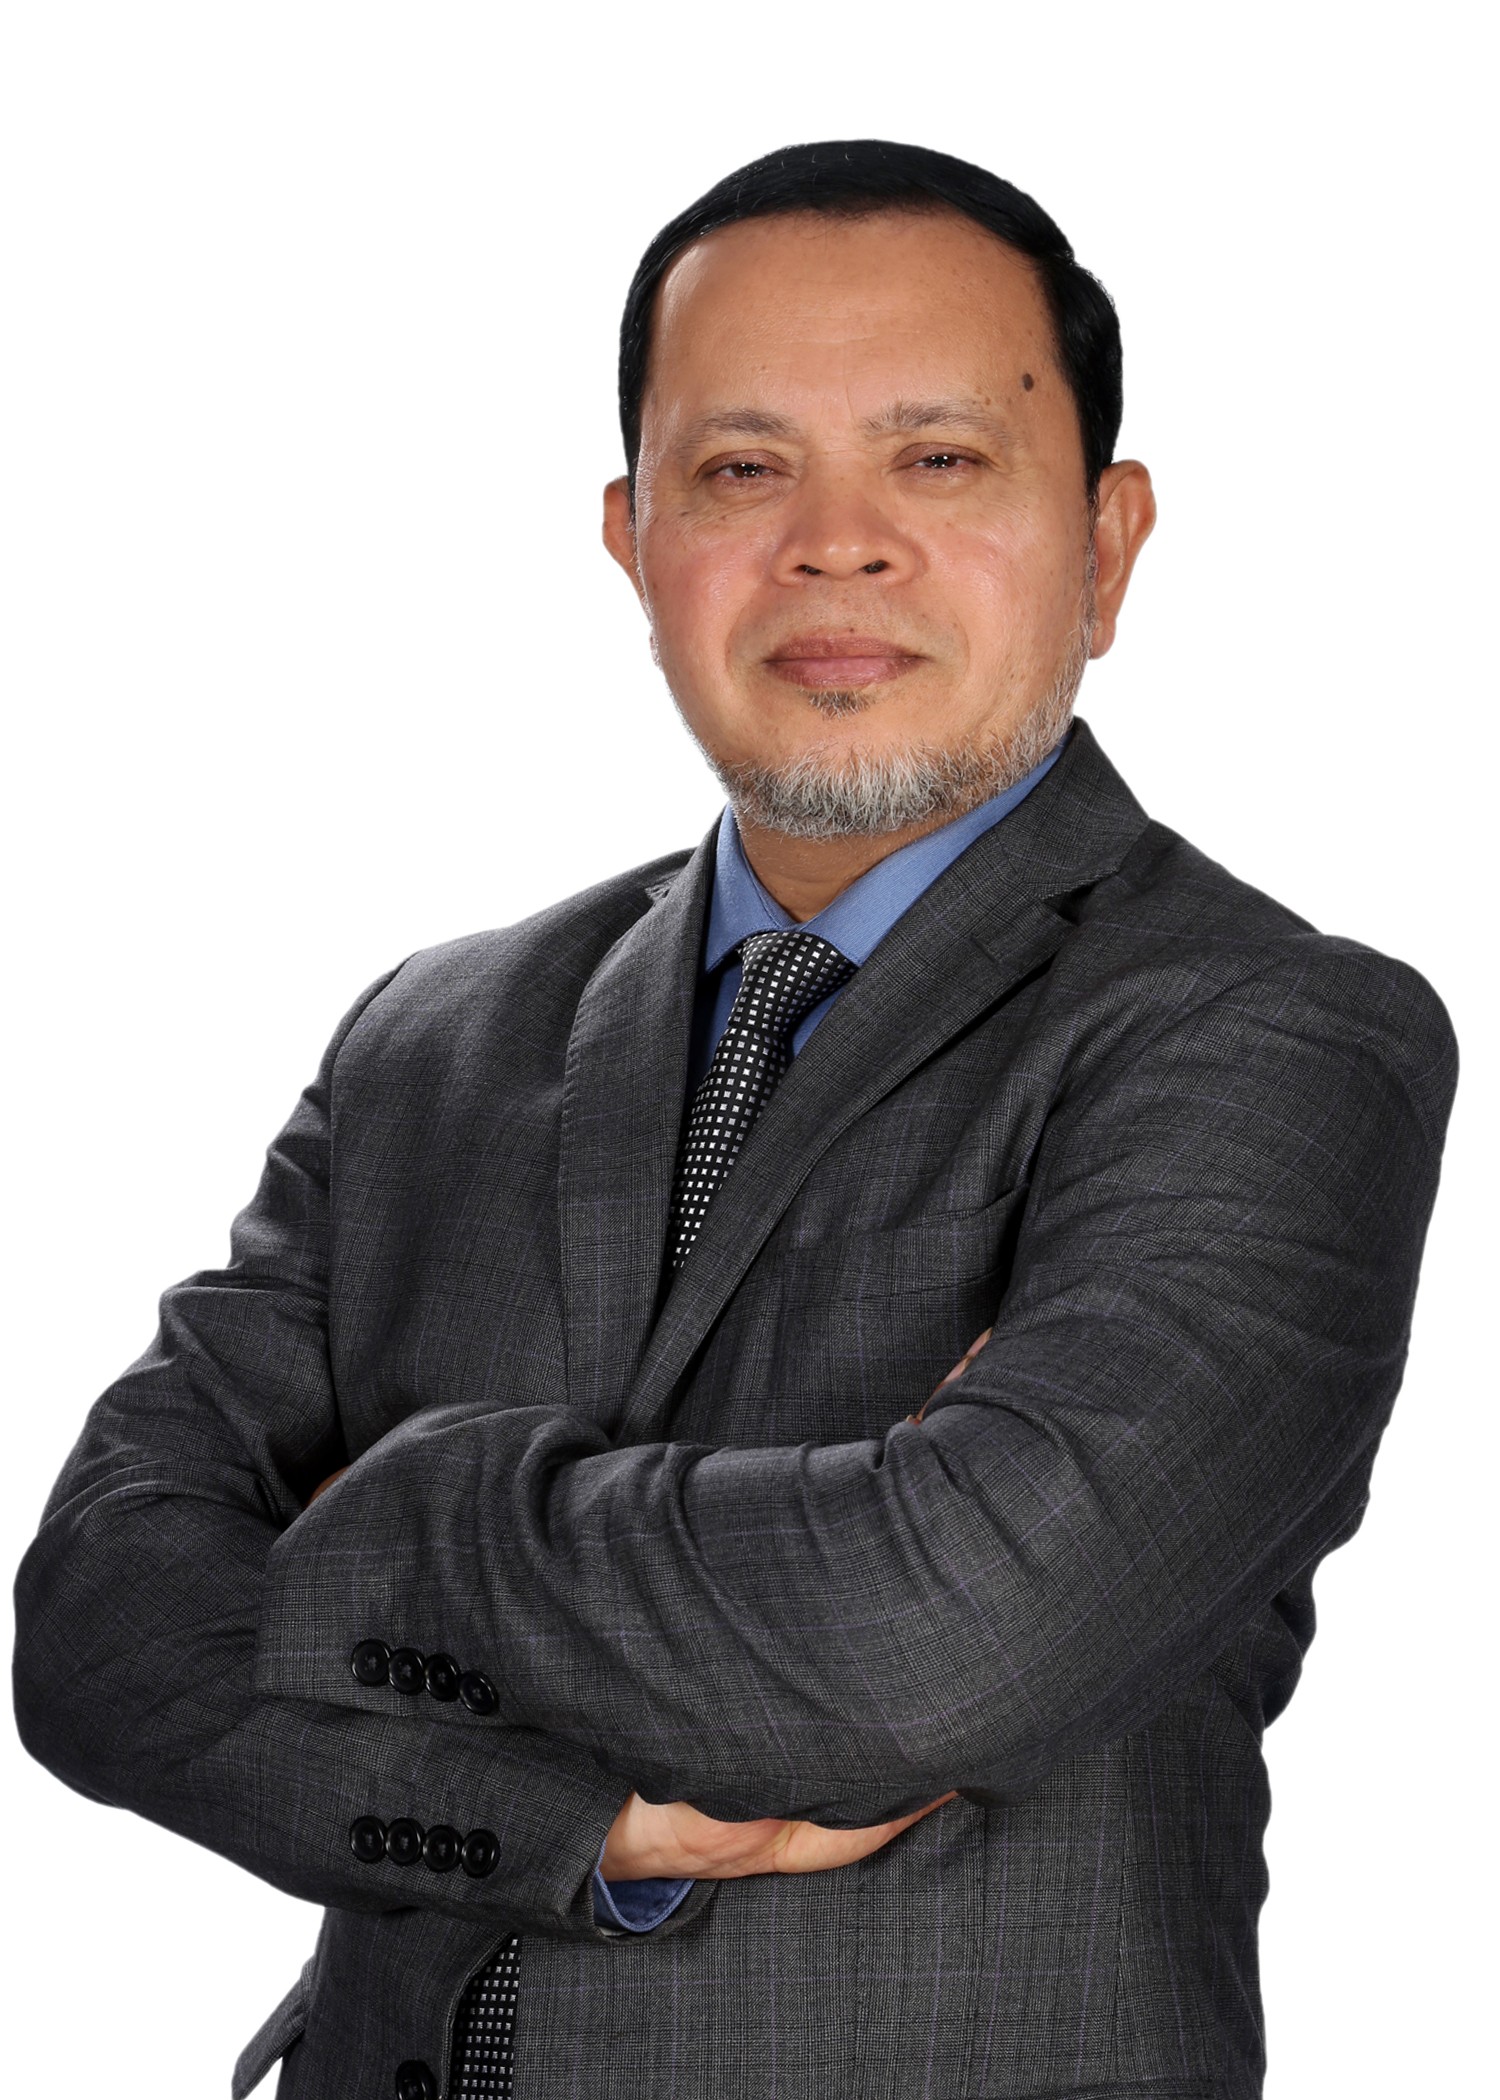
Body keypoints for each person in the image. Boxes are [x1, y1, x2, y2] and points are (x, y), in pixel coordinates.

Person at [13, 138, 1458, 2100]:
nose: (835, 545)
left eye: (938, 457)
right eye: (742, 468)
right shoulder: (433, 1038)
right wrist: (564, 1826)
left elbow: (930, 1650)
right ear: (634, 541)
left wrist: (401, 1512)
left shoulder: (1272, 1038)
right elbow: (97, 1634)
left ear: (1108, 545)